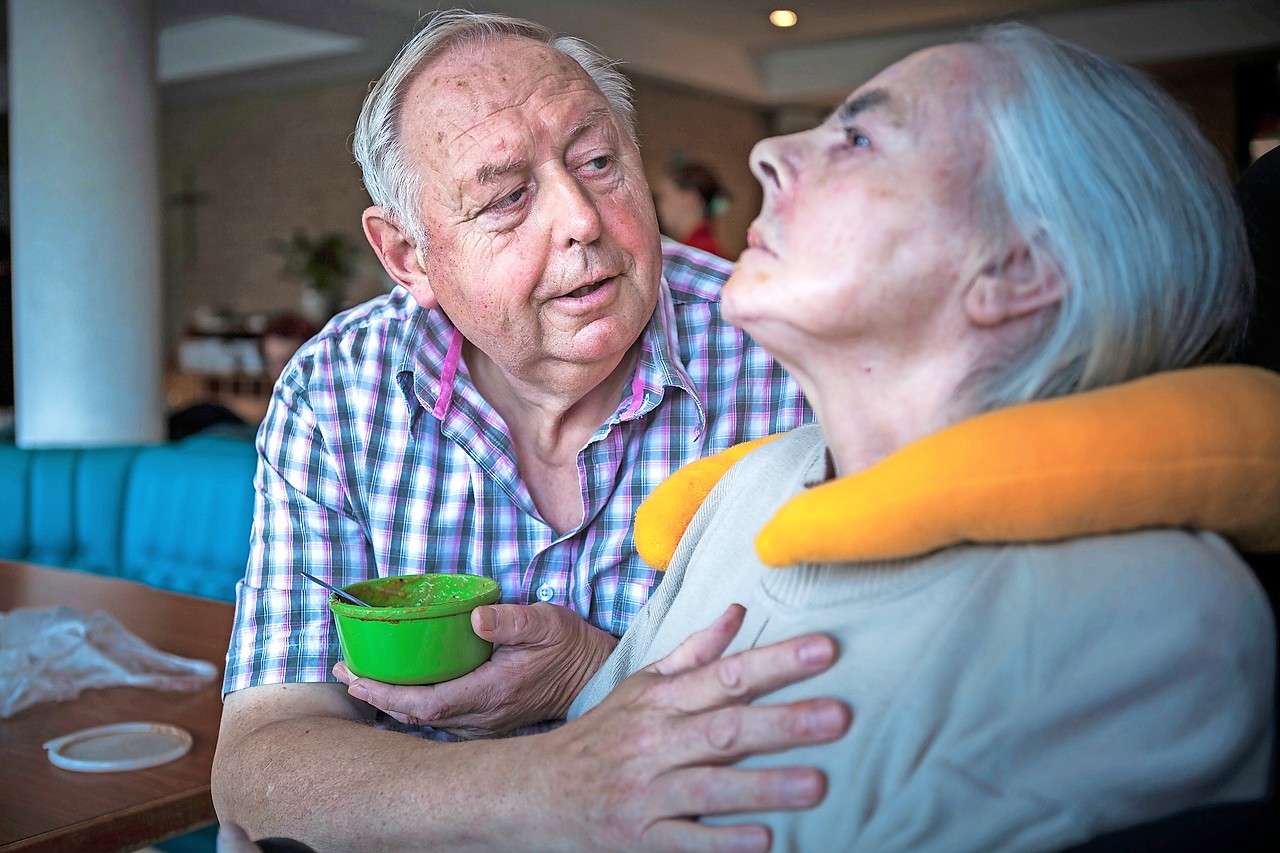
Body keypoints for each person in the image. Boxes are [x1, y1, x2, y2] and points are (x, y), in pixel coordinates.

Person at [570, 23, 1277, 852]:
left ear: (1015, 270)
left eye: (862, 137)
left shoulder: (1149, 621)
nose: (769, 154)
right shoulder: (751, 485)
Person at [212, 10, 847, 852]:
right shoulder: (336, 391)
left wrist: (593, 671)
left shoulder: (785, 352)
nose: (582, 218)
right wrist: (548, 789)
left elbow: (877, 693)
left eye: (598, 162)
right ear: (408, 256)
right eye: (509, 196)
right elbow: (261, 756)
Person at [653, 159, 731, 258]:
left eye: (665, 197)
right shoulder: (694, 247)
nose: (660, 206)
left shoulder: (697, 253)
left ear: (690, 198)